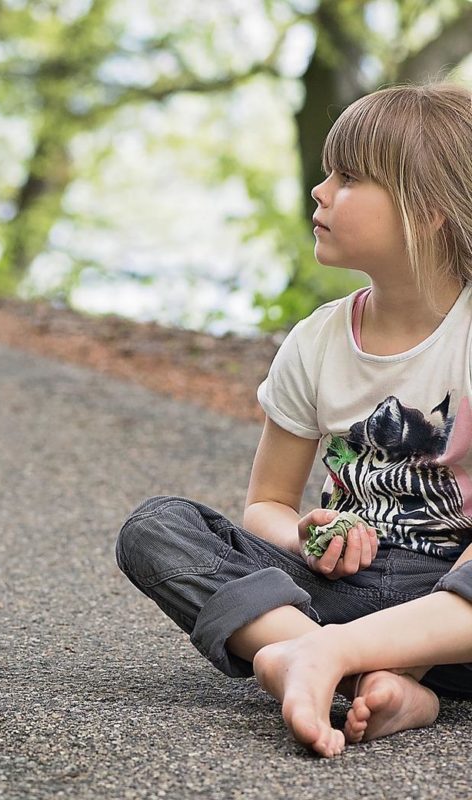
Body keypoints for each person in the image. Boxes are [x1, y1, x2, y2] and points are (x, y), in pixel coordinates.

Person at [116, 83, 472, 758]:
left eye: (349, 178)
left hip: (453, 617)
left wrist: (329, 639)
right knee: (157, 528)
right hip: (339, 590)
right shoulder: (316, 343)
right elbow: (268, 505)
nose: (320, 191)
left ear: (427, 213)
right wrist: (306, 534)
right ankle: (362, 676)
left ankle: (310, 657)